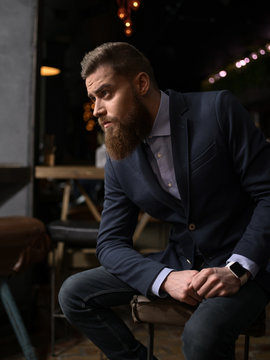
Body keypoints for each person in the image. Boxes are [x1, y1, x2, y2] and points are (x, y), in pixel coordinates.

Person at [58, 42, 270, 360]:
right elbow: (110, 245)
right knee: (73, 293)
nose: (97, 109)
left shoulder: (217, 110)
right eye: (93, 98)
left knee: (200, 337)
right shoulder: (119, 155)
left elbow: (268, 194)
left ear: (141, 84)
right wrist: (165, 279)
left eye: (106, 93)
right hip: (180, 261)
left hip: (243, 260)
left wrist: (237, 269)